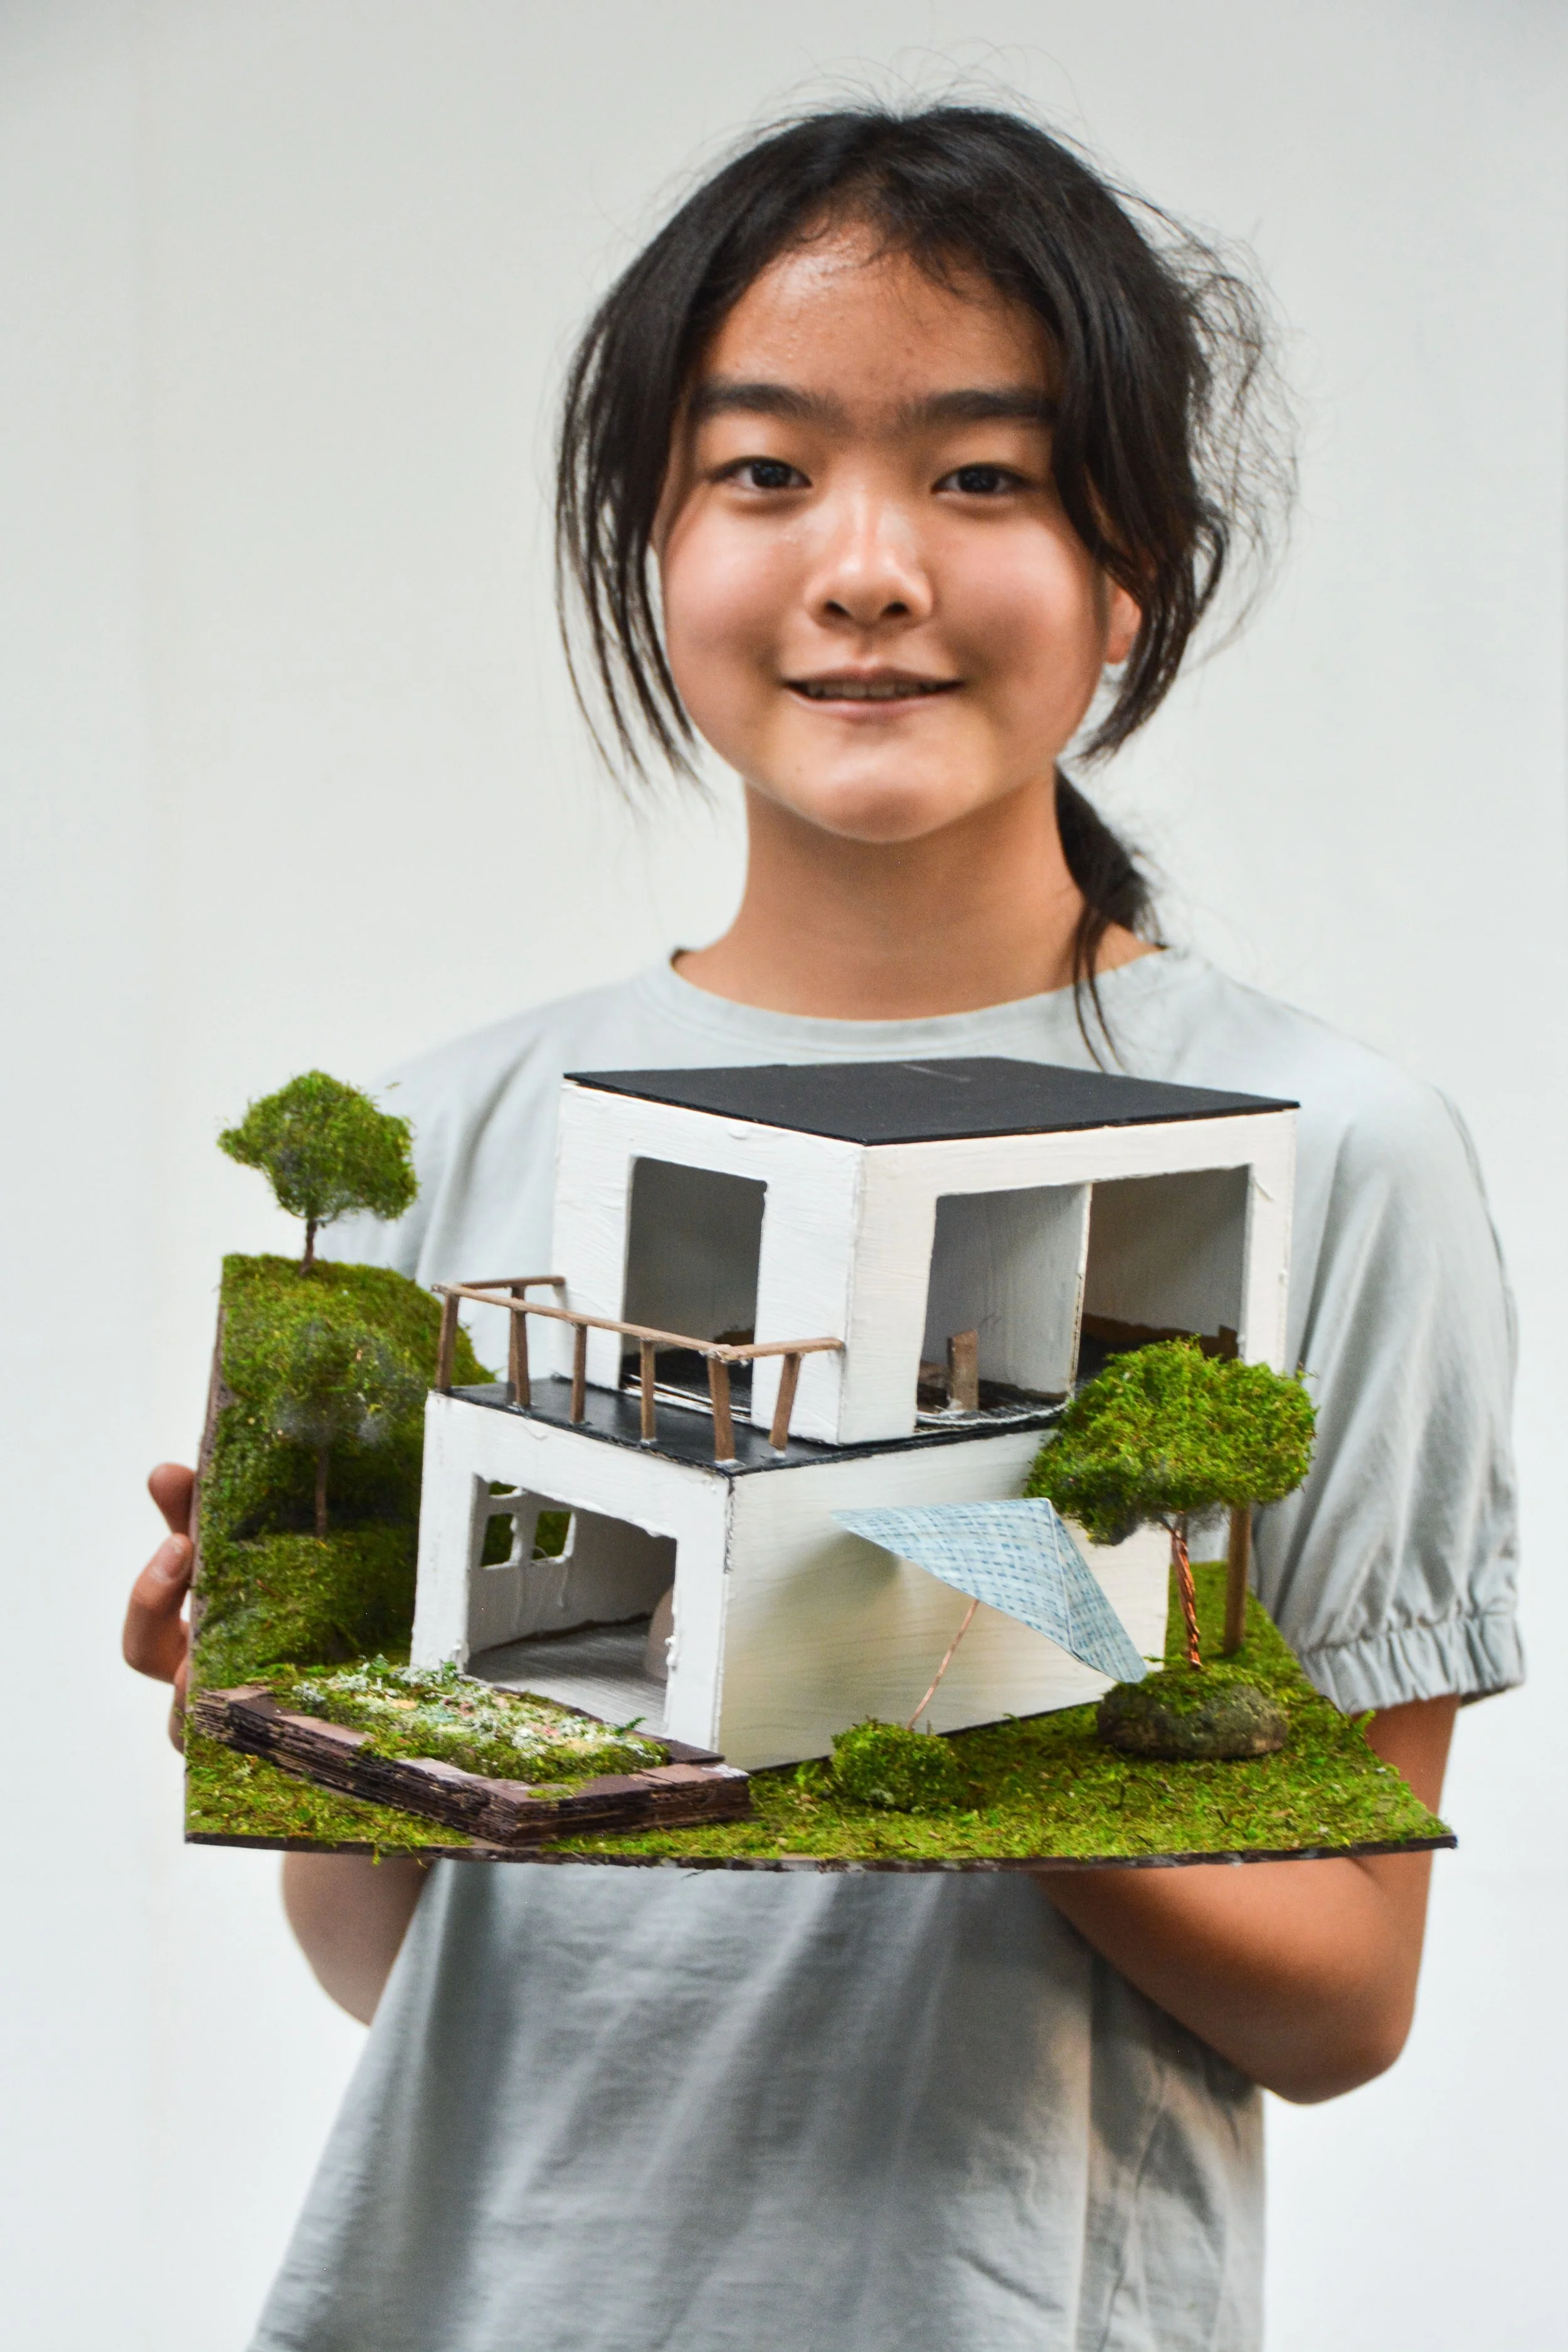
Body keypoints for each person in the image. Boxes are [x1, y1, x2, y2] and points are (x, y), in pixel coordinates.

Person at [124, 105, 1519, 2352]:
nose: (864, 566)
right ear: (648, 542)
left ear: (1129, 561)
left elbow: (1341, 1991)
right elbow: (396, 1956)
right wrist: (303, 1702)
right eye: (762, 472)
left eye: (981, 475)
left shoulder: (1331, 1151)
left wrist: (936, 1653)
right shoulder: (450, 1128)